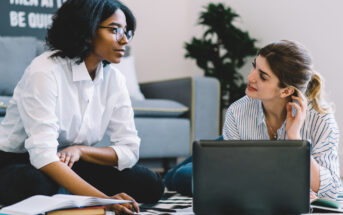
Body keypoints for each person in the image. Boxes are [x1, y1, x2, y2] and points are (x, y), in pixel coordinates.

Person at [0, 0, 164, 214]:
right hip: (22, 159)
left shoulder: (115, 79)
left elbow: (129, 150)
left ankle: (69, 192)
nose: (124, 40)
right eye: (114, 30)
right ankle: (74, 192)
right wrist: (104, 201)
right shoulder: (45, 71)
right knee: (35, 185)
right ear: (86, 30)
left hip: (72, 161)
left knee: (150, 184)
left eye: (126, 31)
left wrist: (81, 151)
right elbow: (43, 155)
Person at [166, 40, 342, 200]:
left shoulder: (321, 121)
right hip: (237, 147)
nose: (250, 77)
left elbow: (333, 190)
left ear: (286, 91)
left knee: (192, 179)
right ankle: (172, 172)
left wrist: (295, 139)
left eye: (263, 76)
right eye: (254, 67)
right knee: (178, 178)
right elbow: (234, 177)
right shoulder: (238, 111)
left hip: (245, 152)